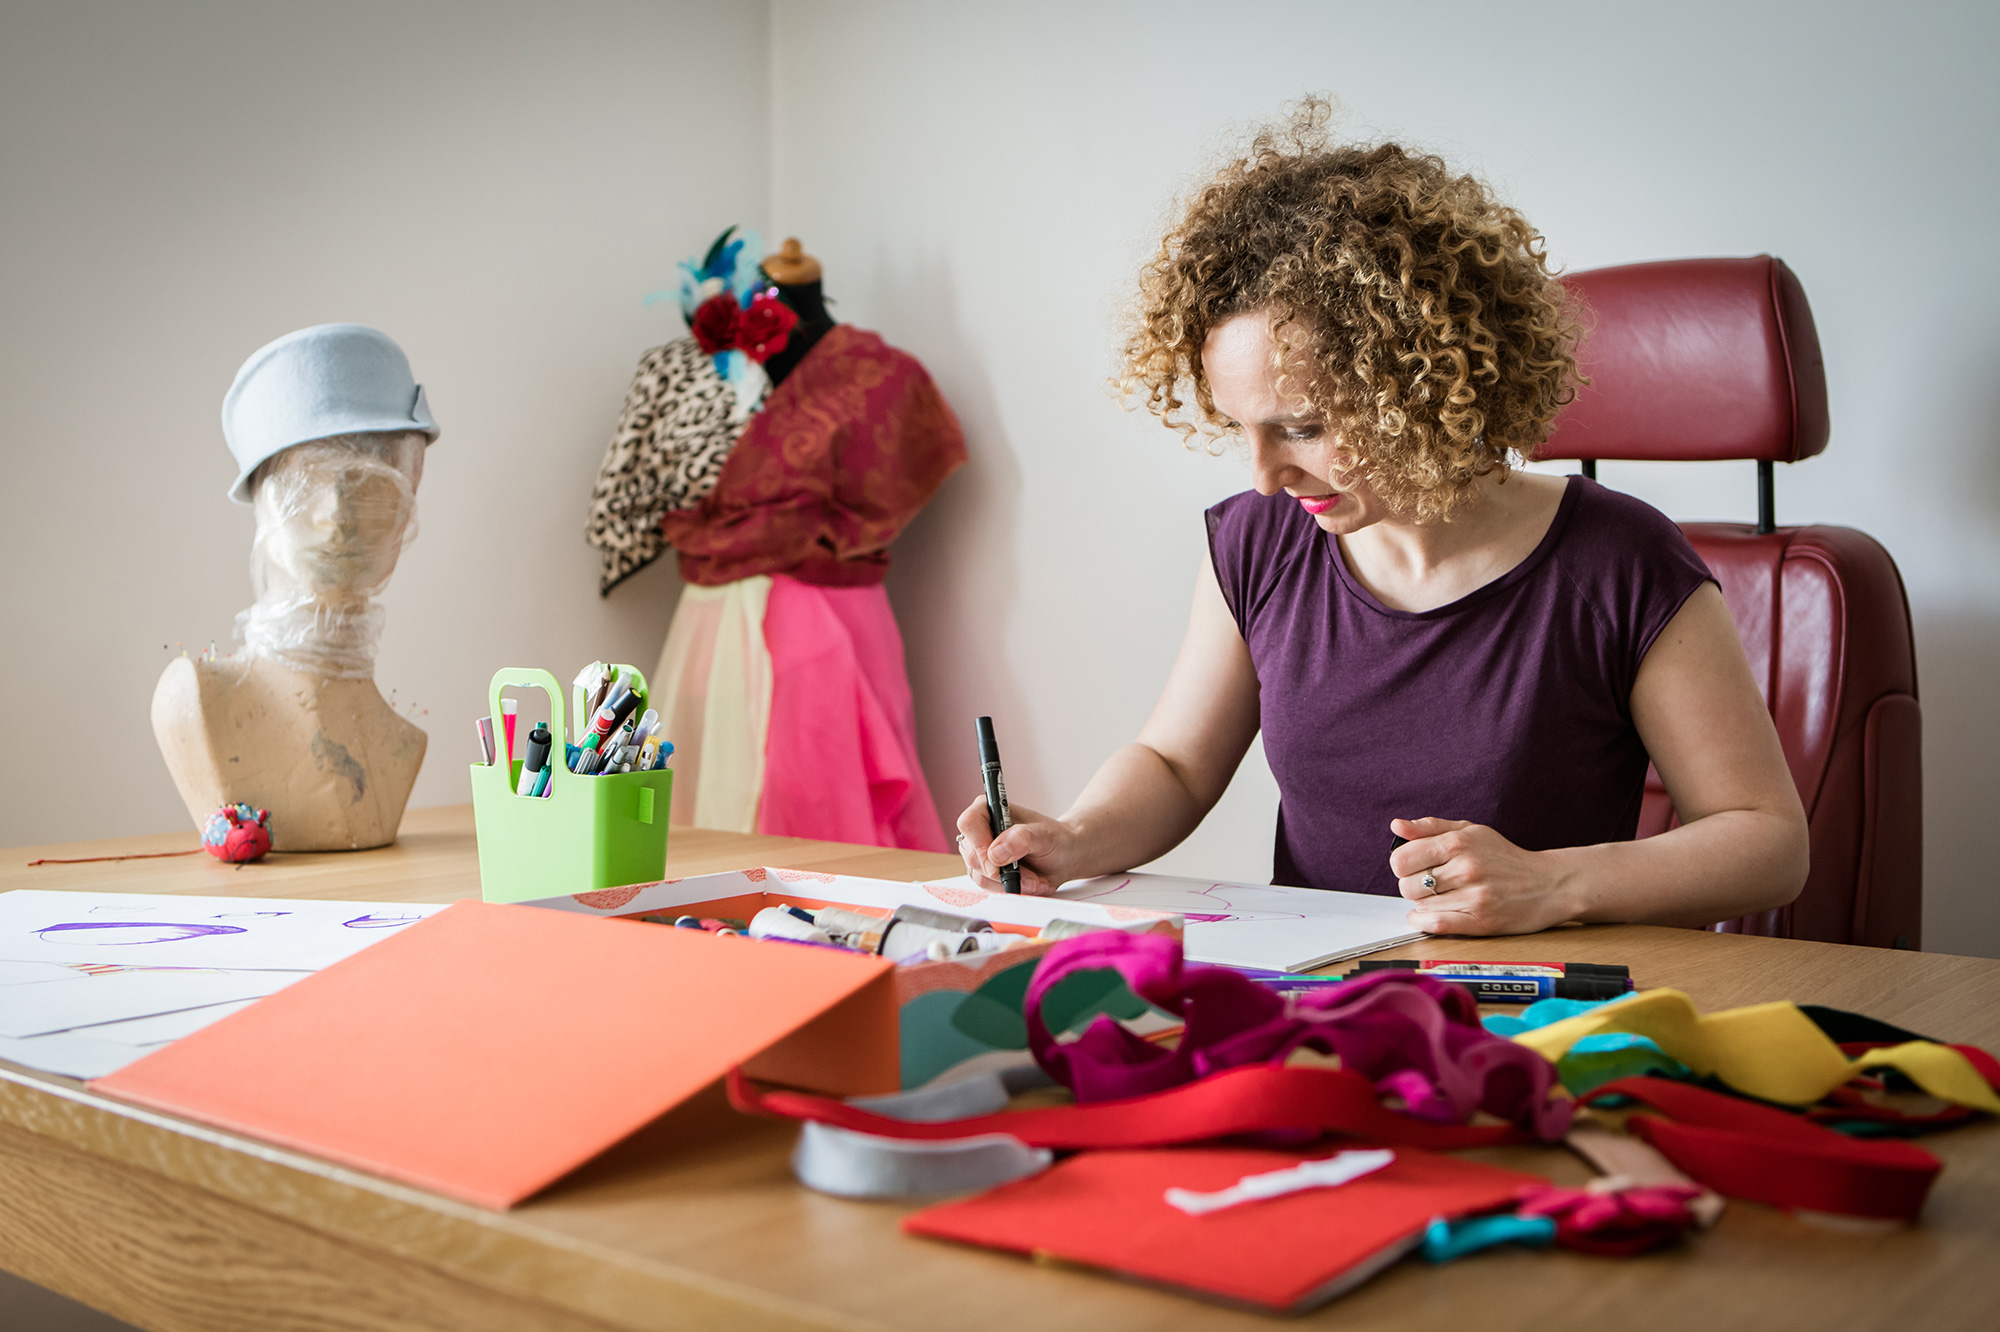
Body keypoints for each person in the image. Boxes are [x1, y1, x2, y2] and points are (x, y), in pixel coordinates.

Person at [955, 106, 1809, 936]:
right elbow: (1175, 768)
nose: (1264, 477)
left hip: (1533, 1007)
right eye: (1241, 429)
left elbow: (1766, 842)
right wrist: (1071, 839)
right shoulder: (1259, 544)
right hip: (1321, 1002)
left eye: (1303, 428)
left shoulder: (1619, 563)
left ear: (1421, 386)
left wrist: (1552, 883)